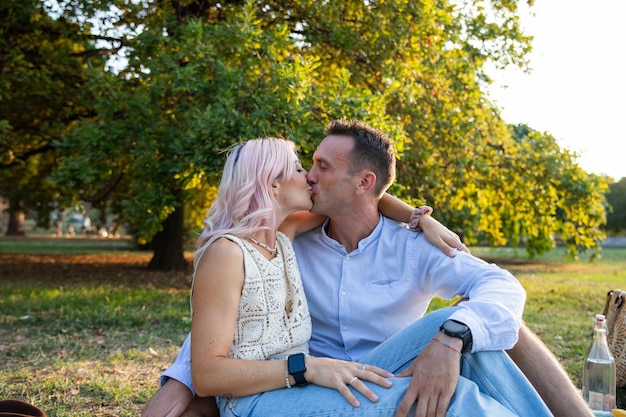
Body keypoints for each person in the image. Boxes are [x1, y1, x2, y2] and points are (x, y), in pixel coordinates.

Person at [143, 120, 592, 417]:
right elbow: (228, 328)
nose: (311, 176)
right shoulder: (288, 235)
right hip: (295, 384)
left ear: (364, 182)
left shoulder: (300, 234)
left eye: (319, 166)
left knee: (471, 326)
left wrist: (451, 338)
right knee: (453, 396)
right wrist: (182, 381)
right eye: (305, 167)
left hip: (378, 364)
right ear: (273, 184)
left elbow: (496, 285)